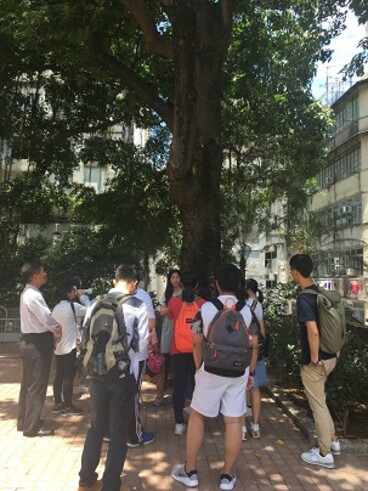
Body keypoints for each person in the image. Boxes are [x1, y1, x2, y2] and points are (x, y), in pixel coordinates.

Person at [171, 264, 258, 490]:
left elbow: (196, 341)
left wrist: (199, 366)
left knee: (198, 416)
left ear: (217, 283)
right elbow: (254, 344)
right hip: (238, 371)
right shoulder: (247, 310)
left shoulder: (207, 308)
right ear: (238, 285)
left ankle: (190, 472)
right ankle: (227, 476)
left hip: (211, 369)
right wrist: (251, 371)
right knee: (233, 421)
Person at [78, 264, 149, 491]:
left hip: (96, 375)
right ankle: (110, 484)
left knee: (96, 427)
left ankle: (86, 477)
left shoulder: (94, 304)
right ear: (134, 284)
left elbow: (84, 336)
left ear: (113, 281)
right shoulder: (138, 306)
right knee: (118, 433)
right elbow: (142, 347)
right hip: (121, 376)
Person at [289, 253, 340, 469]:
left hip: (317, 362)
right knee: (322, 401)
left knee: (317, 405)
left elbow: (313, 330)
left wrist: (313, 358)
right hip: (332, 356)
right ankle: (334, 442)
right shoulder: (320, 292)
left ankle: (324, 453)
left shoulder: (304, 298)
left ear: (295, 272)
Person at [17, 261, 62, 437]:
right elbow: (46, 318)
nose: (45, 274)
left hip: (30, 342)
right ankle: (32, 427)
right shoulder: (33, 295)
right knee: (37, 384)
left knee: (28, 384)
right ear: (35, 275)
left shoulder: (28, 293)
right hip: (37, 344)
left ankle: (25, 421)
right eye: (43, 272)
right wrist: (57, 328)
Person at [168, 271, 206, 436]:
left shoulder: (173, 303)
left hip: (178, 349)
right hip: (198, 350)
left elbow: (172, 326)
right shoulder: (204, 304)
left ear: (181, 284)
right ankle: (196, 423)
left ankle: (178, 424)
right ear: (197, 285)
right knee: (198, 386)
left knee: (180, 386)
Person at [51, 281, 89, 415]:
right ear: (68, 293)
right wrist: (83, 296)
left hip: (58, 347)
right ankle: (68, 405)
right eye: (73, 291)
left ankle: (57, 404)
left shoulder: (56, 308)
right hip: (70, 347)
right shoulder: (73, 306)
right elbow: (89, 309)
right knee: (69, 376)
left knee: (59, 375)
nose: (75, 292)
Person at [242, 278, 267, 440]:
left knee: (240, 390)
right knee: (255, 388)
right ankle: (256, 426)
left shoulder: (237, 305)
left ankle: (242, 428)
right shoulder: (257, 306)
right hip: (255, 350)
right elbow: (262, 331)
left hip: (240, 351)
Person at [159, 269, 182, 385]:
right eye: (173, 277)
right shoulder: (167, 293)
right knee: (167, 353)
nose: (175, 280)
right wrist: (173, 307)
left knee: (179, 352)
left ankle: (177, 378)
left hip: (181, 326)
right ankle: (166, 379)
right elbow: (162, 312)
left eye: (177, 277)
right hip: (168, 325)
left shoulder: (184, 293)